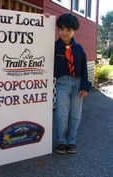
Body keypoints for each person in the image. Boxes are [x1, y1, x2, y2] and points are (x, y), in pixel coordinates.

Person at [54, 13, 92, 154]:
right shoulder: (54, 47)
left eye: (69, 30)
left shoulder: (79, 49)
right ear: (58, 29)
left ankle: (71, 141)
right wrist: (44, 19)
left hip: (78, 83)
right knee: (62, 114)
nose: (64, 32)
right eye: (62, 29)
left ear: (74, 31)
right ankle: (61, 142)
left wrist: (85, 87)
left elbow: (84, 70)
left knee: (76, 114)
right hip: (62, 83)